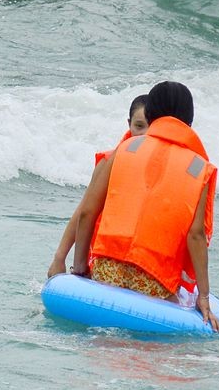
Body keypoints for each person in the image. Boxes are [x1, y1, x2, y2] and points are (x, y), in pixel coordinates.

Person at [70, 81, 219, 332]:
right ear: (189, 121)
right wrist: (203, 297)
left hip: (108, 270)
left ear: (150, 115)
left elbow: (87, 212)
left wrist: (80, 270)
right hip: (155, 282)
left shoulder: (125, 148)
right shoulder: (199, 167)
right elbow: (196, 235)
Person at [47, 94, 149, 278]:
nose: (144, 134)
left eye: (151, 127)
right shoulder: (109, 161)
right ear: (129, 124)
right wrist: (59, 258)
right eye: (139, 126)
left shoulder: (164, 168)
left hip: (142, 263)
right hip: (105, 256)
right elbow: (84, 211)